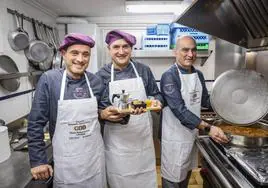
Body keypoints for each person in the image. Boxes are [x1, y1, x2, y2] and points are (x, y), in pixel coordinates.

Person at [27, 33, 106, 188]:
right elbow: (36, 122)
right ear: (63, 54)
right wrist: (38, 161)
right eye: (74, 53)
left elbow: (101, 113)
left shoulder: (95, 81)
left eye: (85, 54)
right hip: (67, 164)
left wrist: (112, 114)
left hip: (94, 161)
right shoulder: (49, 80)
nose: (80, 59)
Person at [96, 30, 163, 188]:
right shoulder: (101, 75)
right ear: (109, 49)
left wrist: (157, 103)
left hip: (142, 142)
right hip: (117, 144)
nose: (121, 51)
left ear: (131, 48)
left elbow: (156, 94)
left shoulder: (143, 70)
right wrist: (103, 114)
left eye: (125, 46)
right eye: (116, 47)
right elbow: (96, 108)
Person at [160, 35, 229, 188]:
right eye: (185, 50)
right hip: (175, 138)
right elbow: (180, 111)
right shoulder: (169, 76)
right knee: (173, 180)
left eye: (193, 50)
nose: (190, 54)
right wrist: (209, 128)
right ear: (175, 52)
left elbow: (205, 101)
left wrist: (228, 103)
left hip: (191, 135)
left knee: (186, 174)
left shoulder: (198, 74)